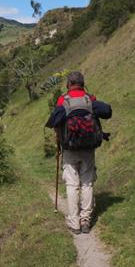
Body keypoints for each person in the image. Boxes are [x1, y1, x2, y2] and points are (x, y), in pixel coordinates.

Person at [46, 71, 112, 234]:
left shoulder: (63, 101)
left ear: (68, 85)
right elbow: (108, 112)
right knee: (87, 183)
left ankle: (74, 222)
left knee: (72, 184)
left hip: (69, 149)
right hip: (88, 149)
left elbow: (52, 121)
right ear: (83, 84)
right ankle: (86, 220)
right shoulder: (90, 100)